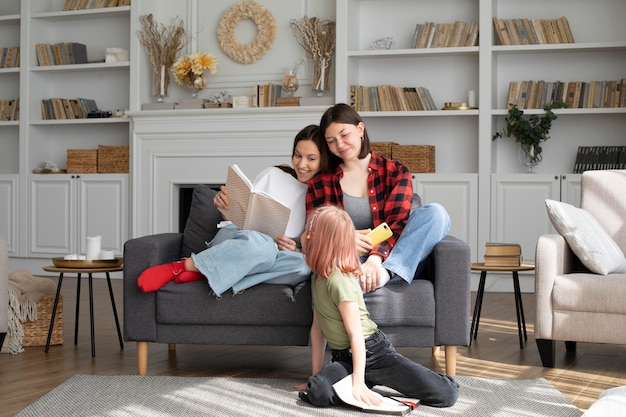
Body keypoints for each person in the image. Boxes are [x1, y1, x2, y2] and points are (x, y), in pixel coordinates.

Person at [137, 124, 329, 296]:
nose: (301, 164)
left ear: (324, 160)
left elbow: (311, 245)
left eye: (311, 159)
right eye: (297, 155)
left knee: (304, 266)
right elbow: (240, 215)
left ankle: (209, 274)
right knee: (262, 245)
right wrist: (225, 206)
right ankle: (181, 266)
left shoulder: (320, 196)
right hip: (237, 240)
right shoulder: (274, 174)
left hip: (270, 255)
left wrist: (295, 248)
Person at [298, 205, 459, 408]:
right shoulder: (318, 277)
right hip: (344, 358)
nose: (304, 239)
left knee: (446, 396)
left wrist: (357, 384)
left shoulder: (340, 281)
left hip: (373, 353)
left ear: (323, 242)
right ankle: (363, 378)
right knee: (317, 392)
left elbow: (356, 335)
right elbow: (317, 329)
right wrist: (314, 374)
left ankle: (442, 383)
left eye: (309, 235)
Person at [306, 103, 451, 292]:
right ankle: (358, 279)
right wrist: (345, 238)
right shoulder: (319, 183)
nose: (339, 145)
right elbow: (313, 231)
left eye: (344, 134)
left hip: (393, 256)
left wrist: (376, 260)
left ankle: (385, 274)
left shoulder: (395, 172)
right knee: (331, 264)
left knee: (436, 213)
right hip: (346, 257)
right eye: (331, 140)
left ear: (360, 128)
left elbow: (397, 223)